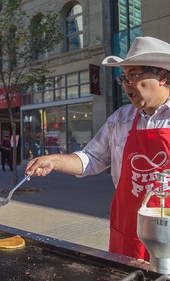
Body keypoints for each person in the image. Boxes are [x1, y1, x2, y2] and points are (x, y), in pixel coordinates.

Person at [25, 36, 170, 261]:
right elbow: (91, 157)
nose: (126, 83)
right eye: (124, 77)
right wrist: (55, 161)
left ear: (161, 76)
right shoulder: (120, 119)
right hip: (129, 230)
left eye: (134, 75)